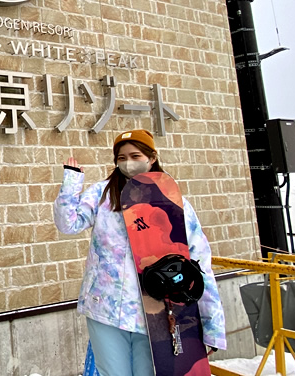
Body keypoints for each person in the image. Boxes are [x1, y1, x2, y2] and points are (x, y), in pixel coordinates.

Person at [53, 129, 225, 376]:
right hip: (106, 306)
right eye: (121, 158)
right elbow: (67, 224)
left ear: (151, 158)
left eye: (135, 156)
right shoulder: (103, 194)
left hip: (155, 310)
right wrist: (71, 183)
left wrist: (212, 326)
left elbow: (199, 262)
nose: (128, 163)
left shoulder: (172, 202)